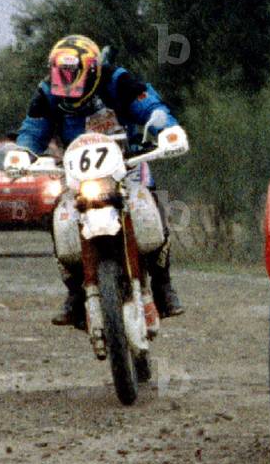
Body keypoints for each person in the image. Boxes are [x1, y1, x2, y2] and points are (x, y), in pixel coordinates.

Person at [12, 35, 185, 327]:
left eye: (72, 73)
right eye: (60, 73)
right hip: (77, 169)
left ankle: (163, 285)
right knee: (59, 215)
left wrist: (167, 128)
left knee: (151, 204)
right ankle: (75, 293)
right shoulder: (47, 92)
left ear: (91, 70)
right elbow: (33, 128)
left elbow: (149, 106)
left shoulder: (117, 80)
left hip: (126, 161)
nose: (66, 81)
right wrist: (22, 153)